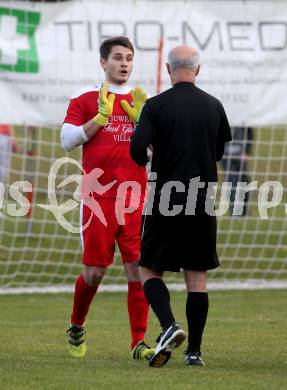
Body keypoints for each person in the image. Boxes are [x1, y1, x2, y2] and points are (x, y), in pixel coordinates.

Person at [130, 45, 232, 368]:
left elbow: (136, 152)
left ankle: (169, 324)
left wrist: (151, 149)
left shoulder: (155, 106)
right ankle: (195, 353)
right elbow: (217, 153)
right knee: (196, 277)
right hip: (202, 200)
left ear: (168, 69)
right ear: (197, 70)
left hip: (164, 198)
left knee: (147, 267)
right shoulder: (214, 106)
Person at [61, 36, 154, 360]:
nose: (124, 63)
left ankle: (138, 342)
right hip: (98, 200)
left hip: (133, 198)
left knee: (137, 270)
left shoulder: (145, 101)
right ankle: (76, 324)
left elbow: (157, 153)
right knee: (94, 272)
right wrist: (98, 120)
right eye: (117, 57)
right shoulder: (85, 97)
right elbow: (66, 140)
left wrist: (141, 123)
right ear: (103, 62)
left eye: (129, 57)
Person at [221, 126, 253, 216]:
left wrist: (247, 151)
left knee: (244, 180)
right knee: (232, 181)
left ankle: (244, 210)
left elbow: (249, 133)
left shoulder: (242, 116)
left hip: (240, 154)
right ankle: (235, 212)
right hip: (226, 155)